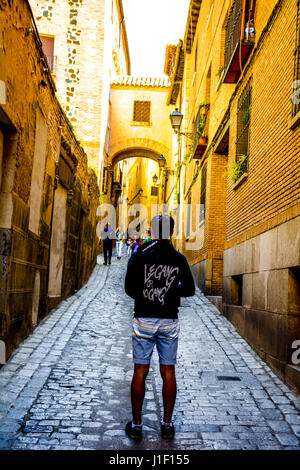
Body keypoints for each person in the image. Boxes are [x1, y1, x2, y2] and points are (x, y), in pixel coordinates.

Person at [124, 214, 195, 440]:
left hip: (143, 318)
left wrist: (146, 296)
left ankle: (136, 426)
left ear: (153, 232)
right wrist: (171, 290)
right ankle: (166, 424)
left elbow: (128, 287)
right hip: (168, 321)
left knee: (140, 370)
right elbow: (190, 289)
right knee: (168, 371)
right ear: (172, 233)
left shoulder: (139, 255)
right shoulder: (179, 258)